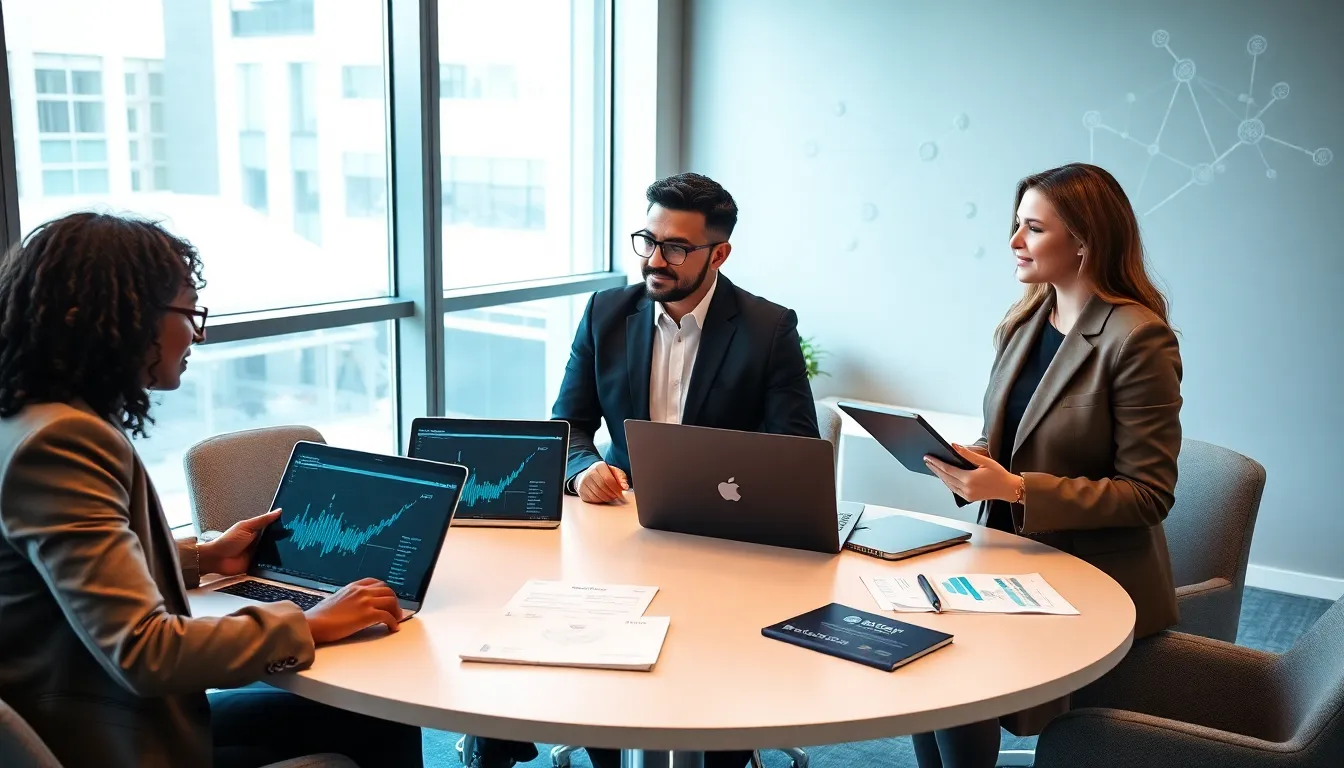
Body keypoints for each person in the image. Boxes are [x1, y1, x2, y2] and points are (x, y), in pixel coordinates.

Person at [0, 212, 424, 768]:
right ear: (119, 318)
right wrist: (311, 621)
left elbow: (66, 575)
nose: (198, 333)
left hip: (90, 716)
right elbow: (145, 652)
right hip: (114, 740)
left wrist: (203, 555)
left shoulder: (26, 418)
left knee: (366, 718)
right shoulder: (65, 441)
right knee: (373, 728)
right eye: (187, 313)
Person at [468, 173, 819, 768]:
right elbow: (568, 424)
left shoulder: (766, 328)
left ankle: (723, 745)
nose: (655, 260)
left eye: (676, 247)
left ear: (719, 253)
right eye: (647, 240)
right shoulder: (608, 312)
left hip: (722, 535)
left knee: (711, 677)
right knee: (550, 624)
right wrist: (581, 469)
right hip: (620, 527)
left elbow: (795, 446)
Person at [917, 163, 1183, 768]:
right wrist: (973, 457)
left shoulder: (1137, 338)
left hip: (1088, 573)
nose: (1013, 242)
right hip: (1009, 552)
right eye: (1017, 225)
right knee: (920, 638)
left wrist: (1014, 487)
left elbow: (1148, 494)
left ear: (1085, 241)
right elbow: (1014, 433)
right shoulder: (1027, 319)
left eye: (1032, 229)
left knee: (955, 664)